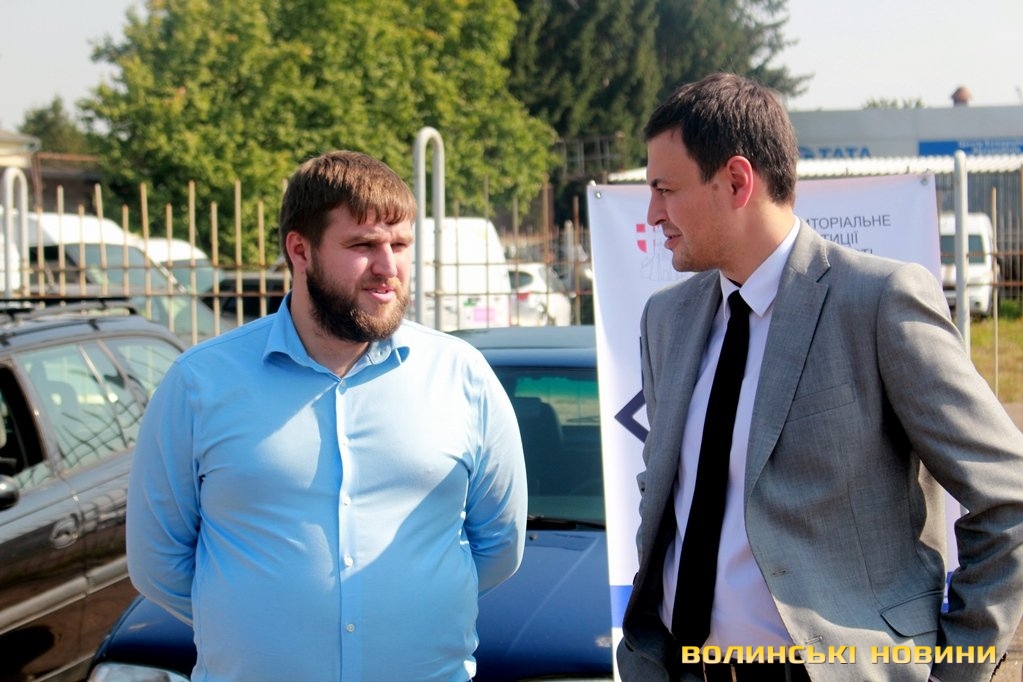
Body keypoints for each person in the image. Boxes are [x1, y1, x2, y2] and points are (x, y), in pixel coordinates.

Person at [616, 72, 1023, 682]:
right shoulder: (666, 319)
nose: (652, 214)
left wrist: (958, 668)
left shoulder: (878, 301)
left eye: (664, 190)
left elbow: (1008, 497)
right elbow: (667, 495)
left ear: (737, 181)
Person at [127, 150, 528, 681]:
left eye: (400, 245)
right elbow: (157, 561)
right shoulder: (199, 383)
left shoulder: (463, 375)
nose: (388, 268)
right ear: (300, 250)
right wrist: (261, 624)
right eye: (363, 246)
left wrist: (410, 608)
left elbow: (499, 545)